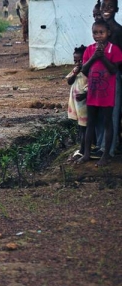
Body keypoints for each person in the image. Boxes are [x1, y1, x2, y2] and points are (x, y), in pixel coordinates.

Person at [77, 19, 122, 166]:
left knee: (108, 122)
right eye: (95, 33)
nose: (98, 36)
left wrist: (102, 57)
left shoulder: (114, 50)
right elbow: (84, 69)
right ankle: (87, 154)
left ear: (108, 33)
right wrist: (94, 57)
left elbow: (114, 69)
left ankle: (105, 155)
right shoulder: (90, 50)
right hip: (93, 93)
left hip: (107, 95)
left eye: (101, 32)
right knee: (91, 123)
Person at [99, 0, 122, 157]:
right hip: (102, 77)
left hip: (115, 76)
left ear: (116, 9)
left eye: (110, 7)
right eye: (104, 6)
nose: (106, 9)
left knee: (113, 113)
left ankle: (110, 149)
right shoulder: (102, 30)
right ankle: (103, 146)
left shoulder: (118, 30)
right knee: (103, 112)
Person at [65, 45, 89, 163]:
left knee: (84, 127)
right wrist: (75, 72)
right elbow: (69, 81)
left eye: (81, 60)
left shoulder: (89, 70)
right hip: (76, 103)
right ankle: (82, 148)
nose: (78, 63)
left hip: (84, 103)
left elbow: (91, 86)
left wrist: (85, 95)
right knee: (80, 127)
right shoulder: (76, 70)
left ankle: (83, 149)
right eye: (76, 61)